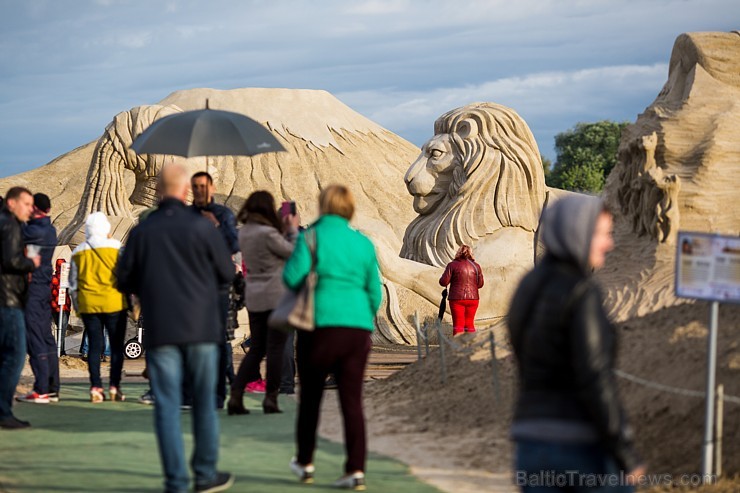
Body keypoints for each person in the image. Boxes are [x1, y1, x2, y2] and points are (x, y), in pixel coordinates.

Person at [507, 195, 645, 492]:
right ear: (575, 232)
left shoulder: (527, 286)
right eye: (602, 234)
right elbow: (594, 377)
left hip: (529, 439)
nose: (609, 244)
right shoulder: (582, 293)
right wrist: (624, 452)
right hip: (578, 444)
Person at [117, 164, 235, 493]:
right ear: (184, 190)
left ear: (157, 191)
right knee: (203, 401)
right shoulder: (203, 227)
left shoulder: (143, 230)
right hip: (201, 328)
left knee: (167, 405)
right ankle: (205, 473)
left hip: (160, 328)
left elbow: (122, 278)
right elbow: (227, 272)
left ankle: (175, 480)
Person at [284, 185, 382, 490]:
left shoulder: (310, 237)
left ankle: (305, 461)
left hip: (319, 325)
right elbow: (375, 293)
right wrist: (362, 317)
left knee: (311, 398)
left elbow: (290, 277)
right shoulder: (363, 243)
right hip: (356, 329)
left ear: (323, 205)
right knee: (352, 402)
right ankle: (355, 469)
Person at [228, 191, 298, 415]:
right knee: (277, 349)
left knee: (257, 348)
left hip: (254, 296)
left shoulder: (243, 233)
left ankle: (237, 393)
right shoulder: (268, 233)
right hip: (276, 296)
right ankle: (271, 397)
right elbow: (292, 253)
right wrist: (293, 231)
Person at [69, 212, 127, 403]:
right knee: (117, 347)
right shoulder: (117, 247)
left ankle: (95, 387)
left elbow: (73, 283)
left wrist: (78, 306)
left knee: (94, 345)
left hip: (89, 304)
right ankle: (114, 387)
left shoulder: (78, 251)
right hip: (114, 302)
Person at [191, 171, 238, 409]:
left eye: (203, 186)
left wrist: (216, 226)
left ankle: (219, 394)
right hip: (192, 286)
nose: (200, 190)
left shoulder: (223, 214)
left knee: (219, 341)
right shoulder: (187, 215)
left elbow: (234, 243)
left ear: (212, 187)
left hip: (218, 286)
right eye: (196, 186)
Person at [0, 187, 41, 429]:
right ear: (12, 203)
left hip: (6, 298)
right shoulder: (11, 225)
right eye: (26, 204)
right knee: (14, 356)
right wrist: (31, 263)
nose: (30, 209)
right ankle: (4, 411)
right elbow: (11, 260)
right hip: (9, 299)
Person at [17, 193, 60, 404]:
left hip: (33, 289)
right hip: (43, 287)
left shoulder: (33, 231)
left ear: (34, 208)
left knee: (35, 337)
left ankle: (41, 388)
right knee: (46, 336)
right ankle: (52, 387)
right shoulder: (50, 229)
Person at [438, 244, 484, 336]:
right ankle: (470, 347)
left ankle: (457, 348)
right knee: (469, 324)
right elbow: (480, 284)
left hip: (456, 298)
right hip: (473, 299)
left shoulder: (452, 265)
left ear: (458, 253)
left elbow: (443, 282)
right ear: (471, 253)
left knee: (458, 324)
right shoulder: (476, 266)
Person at [50, 258, 72, 355]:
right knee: (62, 330)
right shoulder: (67, 279)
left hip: (53, 307)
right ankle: (61, 350)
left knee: (55, 328)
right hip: (64, 306)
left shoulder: (52, 278)